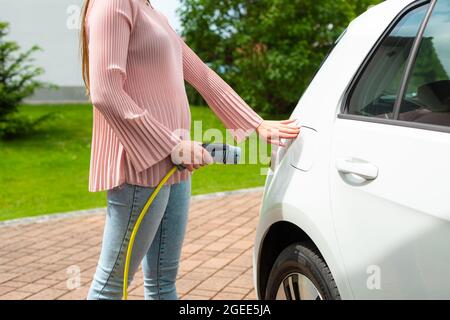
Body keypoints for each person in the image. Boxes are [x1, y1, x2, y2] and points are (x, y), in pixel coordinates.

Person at [80, 0, 300, 300]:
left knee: (162, 284)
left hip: (174, 169)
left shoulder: (151, 11)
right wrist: (173, 144)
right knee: (111, 288)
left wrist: (257, 124)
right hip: (140, 171)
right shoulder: (114, 3)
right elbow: (105, 92)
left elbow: (203, 76)